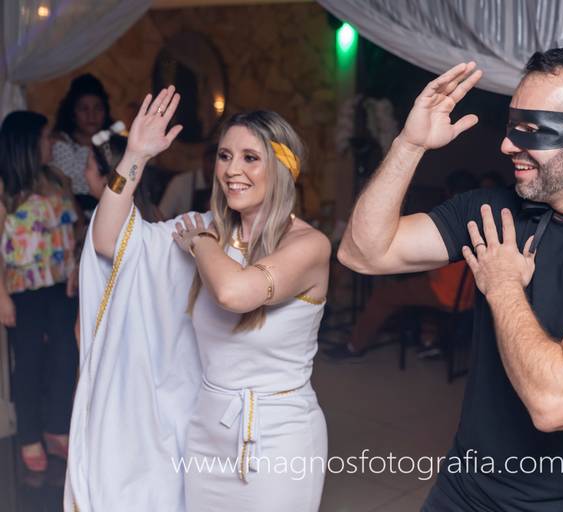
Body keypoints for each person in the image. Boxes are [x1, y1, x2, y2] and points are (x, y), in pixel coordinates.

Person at [338, 48, 563, 511]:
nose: (507, 146)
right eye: (512, 126)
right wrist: (409, 145)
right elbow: (363, 252)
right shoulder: (496, 212)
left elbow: (553, 404)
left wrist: (503, 285)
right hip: (463, 490)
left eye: (530, 130)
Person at [65, 86, 330, 511]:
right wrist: (136, 155)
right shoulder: (203, 227)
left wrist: (203, 243)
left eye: (250, 157)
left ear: (283, 168)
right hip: (206, 433)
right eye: (225, 155)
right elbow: (108, 240)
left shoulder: (307, 245)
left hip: (280, 435)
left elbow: (234, 292)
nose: (231, 170)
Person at [0, 111, 80, 472]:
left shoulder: (57, 179)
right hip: (23, 287)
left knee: (66, 355)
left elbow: (73, 228)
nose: (53, 143)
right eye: (47, 137)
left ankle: (57, 428)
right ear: (27, 144)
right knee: (30, 361)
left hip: (61, 283)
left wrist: (75, 265)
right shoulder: (6, 189)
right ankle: (29, 435)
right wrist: (1, 296)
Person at [325, 169, 476, 359]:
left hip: (443, 292)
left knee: (382, 295)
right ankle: (428, 340)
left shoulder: (450, 220)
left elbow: (432, 270)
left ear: (449, 192)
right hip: (468, 296)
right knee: (411, 289)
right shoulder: (477, 218)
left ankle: (354, 346)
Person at [52, 73, 114, 212]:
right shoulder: (62, 144)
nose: (91, 116)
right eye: (84, 109)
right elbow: (65, 188)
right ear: (73, 113)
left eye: (98, 108)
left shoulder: (113, 144)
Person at [158, 142, 216, 219]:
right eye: (212, 161)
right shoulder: (180, 183)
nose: (214, 167)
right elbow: (162, 216)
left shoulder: (222, 186)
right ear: (204, 161)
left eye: (217, 163)